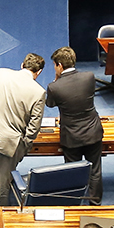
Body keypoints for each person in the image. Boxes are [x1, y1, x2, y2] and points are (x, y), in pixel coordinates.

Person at [0, 53, 46, 217]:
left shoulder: (0, 73)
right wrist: (25, 145)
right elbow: (34, 126)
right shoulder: (39, 92)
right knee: (4, 181)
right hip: (9, 142)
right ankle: (2, 212)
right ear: (38, 72)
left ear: (22, 65)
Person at [46, 46, 104, 204]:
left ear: (59, 65)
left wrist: (56, 80)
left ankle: (74, 202)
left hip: (71, 136)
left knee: (73, 171)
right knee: (95, 170)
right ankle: (95, 203)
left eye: (54, 65)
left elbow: (50, 104)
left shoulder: (54, 87)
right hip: (93, 132)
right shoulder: (89, 77)